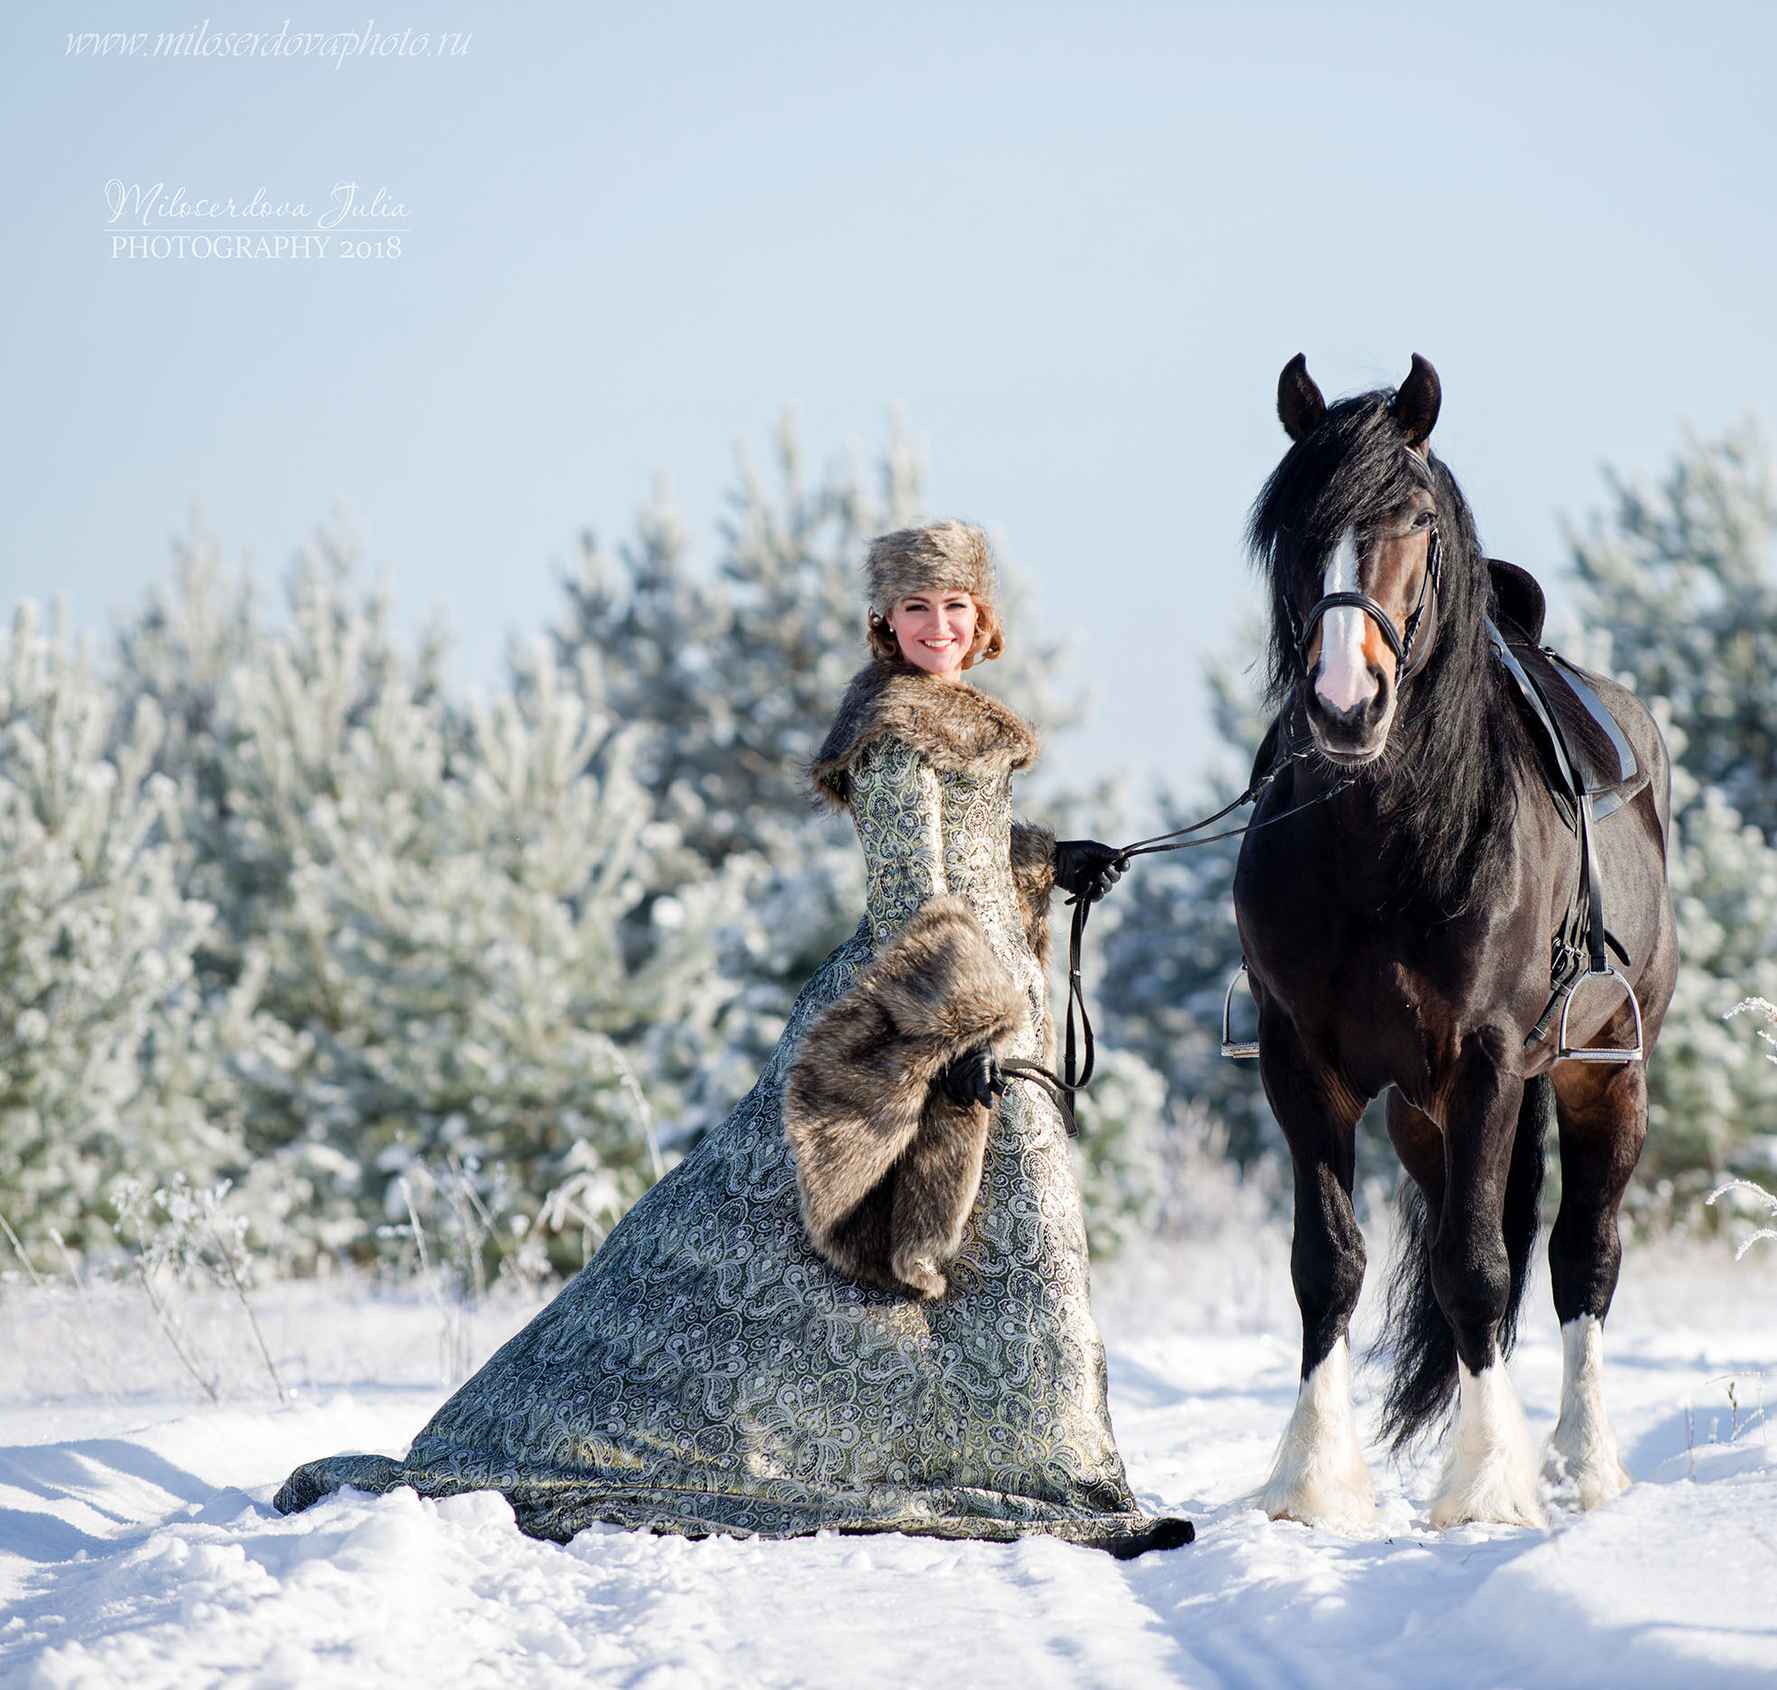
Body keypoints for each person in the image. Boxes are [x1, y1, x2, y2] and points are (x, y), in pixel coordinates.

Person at [276, 520, 1189, 1557]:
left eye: (955, 606)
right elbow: (908, 893)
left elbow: (967, 855)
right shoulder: (896, 731)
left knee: (1011, 1250)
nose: (937, 625)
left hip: (979, 999)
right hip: (932, 1008)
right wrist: (950, 1031)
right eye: (916, 607)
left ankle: (1034, 1461)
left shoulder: (959, 719)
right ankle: (1035, 1468)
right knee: (852, 1244)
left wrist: (1046, 863)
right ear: (885, 622)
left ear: (982, 619)